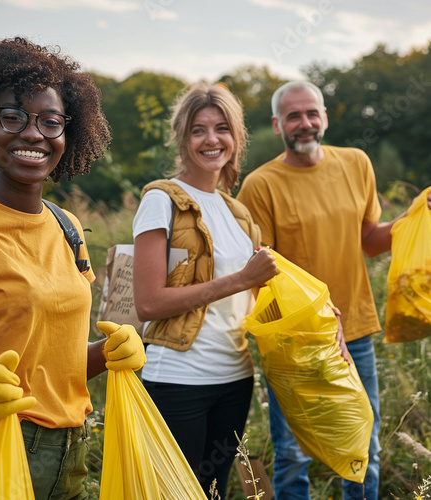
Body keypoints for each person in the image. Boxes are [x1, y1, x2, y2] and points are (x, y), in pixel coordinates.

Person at [0, 37, 145, 500]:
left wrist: (108, 352)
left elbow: (55, 366)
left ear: (67, 135)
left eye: (51, 122)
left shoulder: (67, 226)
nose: (33, 134)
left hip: (70, 455)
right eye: (12, 117)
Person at [236, 80, 411, 500]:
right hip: (294, 344)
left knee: (363, 444)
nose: (305, 123)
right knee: (294, 454)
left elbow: (368, 239)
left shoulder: (357, 163)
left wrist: (414, 218)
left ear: (325, 117)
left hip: (355, 332)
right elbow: (261, 272)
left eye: (312, 113)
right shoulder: (260, 186)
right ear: (278, 125)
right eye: (293, 116)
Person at [132, 82, 278, 499]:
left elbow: (256, 296)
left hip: (236, 376)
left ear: (236, 137)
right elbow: (148, 303)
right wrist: (240, 279)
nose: (211, 139)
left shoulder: (239, 212)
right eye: (198, 129)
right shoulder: (162, 200)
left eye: (221, 128)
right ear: (182, 138)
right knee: (174, 493)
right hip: (178, 378)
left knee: (213, 489)